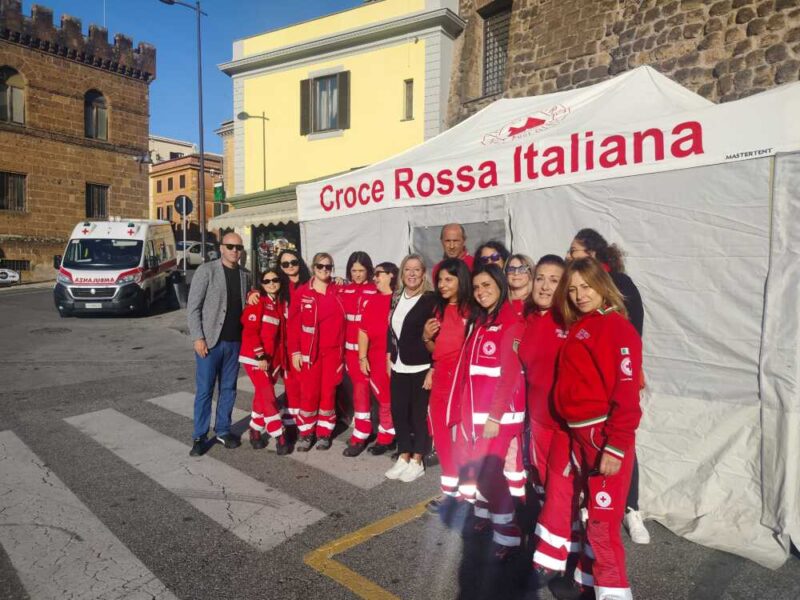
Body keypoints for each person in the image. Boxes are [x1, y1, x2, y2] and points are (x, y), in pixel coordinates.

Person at [554, 257, 643, 600]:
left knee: (603, 525)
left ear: (602, 286)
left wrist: (616, 446)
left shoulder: (617, 327)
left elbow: (627, 392)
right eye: (573, 289)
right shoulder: (583, 324)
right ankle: (588, 582)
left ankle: (614, 593)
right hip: (580, 435)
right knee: (588, 514)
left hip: (602, 435)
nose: (580, 295)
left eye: (586, 286)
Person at [567, 228, 649, 544]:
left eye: (574, 250)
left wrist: (625, 367)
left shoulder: (620, 283)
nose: (569, 255)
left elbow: (632, 332)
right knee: (592, 452)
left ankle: (631, 508)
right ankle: (593, 505)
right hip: (588, 393)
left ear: (591, 253)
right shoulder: (575, 291)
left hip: (616, 380)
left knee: (619, 443)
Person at [450, 265, 526, 560]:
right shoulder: (482, 321)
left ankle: (509, 534)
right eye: (477, 287)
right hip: (477, 412)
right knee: (478, 467)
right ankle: (485, 514)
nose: (481, 292)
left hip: (498, 415)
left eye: (487, 285)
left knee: (491, 472)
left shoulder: (511, 322)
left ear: (500, 285)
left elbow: (510, 376)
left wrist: (494, 416)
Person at [517, 255, 573, 595]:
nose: (545, 286)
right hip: (537, 422)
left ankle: (550, 561)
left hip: (566, 426)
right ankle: (565, 546)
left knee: (560, 489)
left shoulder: (571, 320)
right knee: (545, 486)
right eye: (540, 278)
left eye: (554, 280)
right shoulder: (529, 318)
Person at [187, 232, 251, 456]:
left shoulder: (245, 275)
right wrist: (198, 337)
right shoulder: (207, 271)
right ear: (221, 248)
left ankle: (223, 430)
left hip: (235, 342)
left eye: (238, 247)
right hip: (210, 342)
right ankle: (199, 436)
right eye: (230, 246)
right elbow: (193, 307)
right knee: (205, 390)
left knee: (228, 389)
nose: (234, 251)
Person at [422, 258, 473, 509]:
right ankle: (449, 490)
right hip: (441, 379)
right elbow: (436, 351)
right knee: (441, 437)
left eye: (448, 279)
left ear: (461, 280)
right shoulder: (439, 310)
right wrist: (426, 337)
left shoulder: (472, 311)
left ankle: (468, 495)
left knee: (462, 439)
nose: (442, 284)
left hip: (461, 383)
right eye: (440, 280)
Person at [384, 254, 436, 482]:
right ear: (402, 273)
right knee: (399, 412)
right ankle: (403, 455)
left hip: (421, 366)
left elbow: (436, 336)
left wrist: (433, 368)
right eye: (408, 269)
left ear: (423, 274)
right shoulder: (396, 297)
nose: (412, 274)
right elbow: (391, 330)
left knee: (418, 416)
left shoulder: (430, 300)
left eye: (416, 269)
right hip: (399, 365)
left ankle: (417, 460)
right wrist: (389, 356)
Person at [288, 252, 346, 451]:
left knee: (328, 393)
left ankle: (324, 433)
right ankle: (306, 433)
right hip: (310, 353)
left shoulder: (339, 290)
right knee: (309, 393)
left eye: (328, 267)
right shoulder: (303, 292)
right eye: (320, 266)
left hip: (333, 352)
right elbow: (293, 325)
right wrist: (295, 352)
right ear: (313, 268)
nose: (324, 270)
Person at [239, 268, 291, 455]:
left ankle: (254, 430)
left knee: (262, 395)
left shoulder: (279, 303)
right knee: (268, 395)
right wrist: (259, 355)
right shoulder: (258, 301)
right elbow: (250, 331)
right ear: (261, 284)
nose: (271, 284)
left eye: (275, 280)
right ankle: (279, 435)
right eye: (267, 281)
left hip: (272, 360)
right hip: (256, 358)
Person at [355, 261, 400, 456]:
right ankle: (386, 436)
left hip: (396, 359)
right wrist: (362, 357)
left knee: (393, 399)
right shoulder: (372, 300)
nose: (374, 278)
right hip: (375, 359)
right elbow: (363, 331)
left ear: (391, 275)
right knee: (383, 399)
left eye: (378, 273)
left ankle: (388, 437)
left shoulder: (399, 299)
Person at [339, 251, 378, 456]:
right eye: (353, 270)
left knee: (366, 393)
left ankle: (363, 435)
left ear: (369, 270)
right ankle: (362, 430)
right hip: (349, 352)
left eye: (361, 270)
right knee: (357, 392)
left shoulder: (375, 290)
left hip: (369, 352)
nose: (357, 274)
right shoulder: (344, 290)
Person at [277, 249, 311, 433]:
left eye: (293, 262)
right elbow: (263, 290)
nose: (290, 266)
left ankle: (307, 425)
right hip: (287, 345)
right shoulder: (279, 287)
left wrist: (339, 281)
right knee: (291, 386)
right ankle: (292, 425)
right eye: (285, 264)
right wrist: (253, 293)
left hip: (307, 344)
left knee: (307, 386)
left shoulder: (310, 284)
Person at [506, 253, 536, 319]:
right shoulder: (499, 302)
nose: (516, 273)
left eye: (522, 269)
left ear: (531, 272)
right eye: (511, 269)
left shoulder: (537, 302)